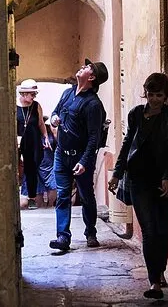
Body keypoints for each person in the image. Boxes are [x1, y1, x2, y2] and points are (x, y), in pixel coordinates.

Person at [107, 73, 168, 300]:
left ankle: (160, 270)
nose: (154, 99)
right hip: (139, 180)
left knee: (162, 228)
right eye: (151, 95)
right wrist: (117, 174)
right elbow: (127, 144)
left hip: (165, 180)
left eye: (159, 95)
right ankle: (154, 282)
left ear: (166, 95)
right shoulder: (136, 115)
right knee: (149, 230)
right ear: (145, 93)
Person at [49, 59, 109, 251]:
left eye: (87, 68)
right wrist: (54, 118)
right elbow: (55, 111)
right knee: (63, 195)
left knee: (86, 195)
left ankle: (91, 232)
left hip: (81, 157)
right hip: (61, 154)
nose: (82, 67)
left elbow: (94, 138)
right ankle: (63, 237)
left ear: (91, 77)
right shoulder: (67, 93)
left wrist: (84, 161)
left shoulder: (93, 105)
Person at [16, 79, 51, 210]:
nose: (34, 97)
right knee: (17, 166)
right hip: (19, 139)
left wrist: (45, 137)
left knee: (32, 167)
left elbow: (40, 123)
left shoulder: (36, 106)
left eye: (35, 94)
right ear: (24, 94)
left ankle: (32, 197)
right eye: (32, 94)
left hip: (34, 139)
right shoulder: (15, 106)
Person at [21, 116, 57, 207]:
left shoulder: (50, 131)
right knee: (38, 194)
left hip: (49, 164)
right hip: (35, 165)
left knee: (53, 187)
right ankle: (41, 208)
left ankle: (50, 205)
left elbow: (57, 145)